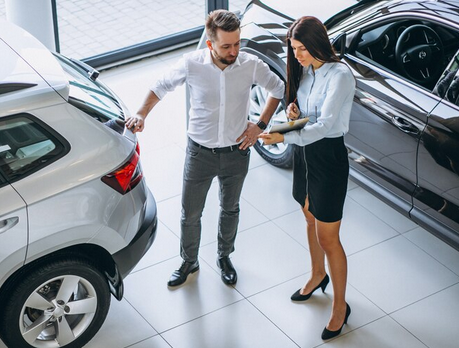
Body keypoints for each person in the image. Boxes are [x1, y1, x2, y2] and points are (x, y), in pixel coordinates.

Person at [126, 9, 284, 287]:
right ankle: (189, 261)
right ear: (210, 44)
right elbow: (160, 87)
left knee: (230, 208)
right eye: (226, 46)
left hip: (237, 152)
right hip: (199, 154)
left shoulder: (250, 64)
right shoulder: (191, 64)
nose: (234, 50)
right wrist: (141, 114)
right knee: (191, 214)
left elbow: (279, 89)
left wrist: (260, 124)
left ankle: (225, 257)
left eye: (237, 43)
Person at [259, 16, 355, 340]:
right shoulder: (307, 71)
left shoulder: (339, 75)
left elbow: (326, 127)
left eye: (300, 49)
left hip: (328, 158)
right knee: (308, 216)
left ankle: (340, 307)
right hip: (305, 154)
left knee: (329, 237)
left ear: (316, 44)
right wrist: (292, 115)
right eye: (294, 49)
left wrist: (283, 137)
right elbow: (306, 116)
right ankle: (317, 275)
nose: (296, 55)